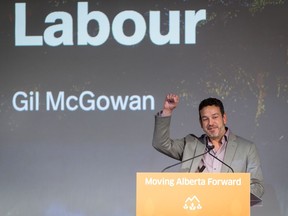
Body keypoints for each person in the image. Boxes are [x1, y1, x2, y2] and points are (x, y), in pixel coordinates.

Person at [152, 93, 264, 198]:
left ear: (224, 118)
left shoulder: (247, 148)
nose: (210, 123)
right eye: (205, 119)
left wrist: (233, 196)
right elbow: (160, 143)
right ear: (201, 123)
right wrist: (167, 111)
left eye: (215, 117)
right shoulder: (191, 145)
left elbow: (257, 187)